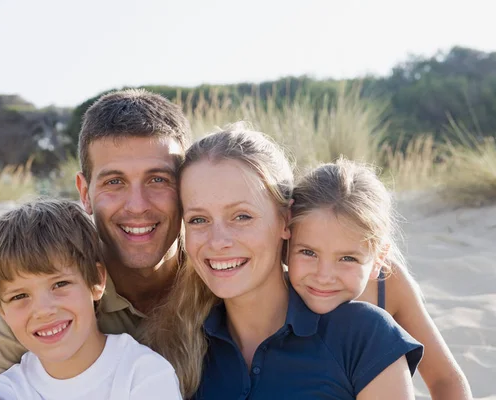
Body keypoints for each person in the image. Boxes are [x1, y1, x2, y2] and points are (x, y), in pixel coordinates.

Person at [0, 89, 191, 400]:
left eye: (158, 179)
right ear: (84, 192)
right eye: (114, 182)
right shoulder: (46, 290)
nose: (137, 205)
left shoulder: (220, 273)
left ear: (188, 187)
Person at [141, 127, 423, 399]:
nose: (217, 242)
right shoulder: (173, 348)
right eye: (198, 220)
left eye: (241, 216)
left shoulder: (363, 335)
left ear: (285, 220)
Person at [288, 158, 472, 399]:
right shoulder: (273, 285)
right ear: (285, 243)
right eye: (308, 252)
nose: (324, 276)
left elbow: (445, 379)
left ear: (378, 258)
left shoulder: (389, 284)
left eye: (347, 259)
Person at [0, 199, 181, 399]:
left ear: (97, 281)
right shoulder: (7, 391)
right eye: (19, 296)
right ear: (0, 310)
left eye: (60, 284)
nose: (44, 310)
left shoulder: (143, 374)